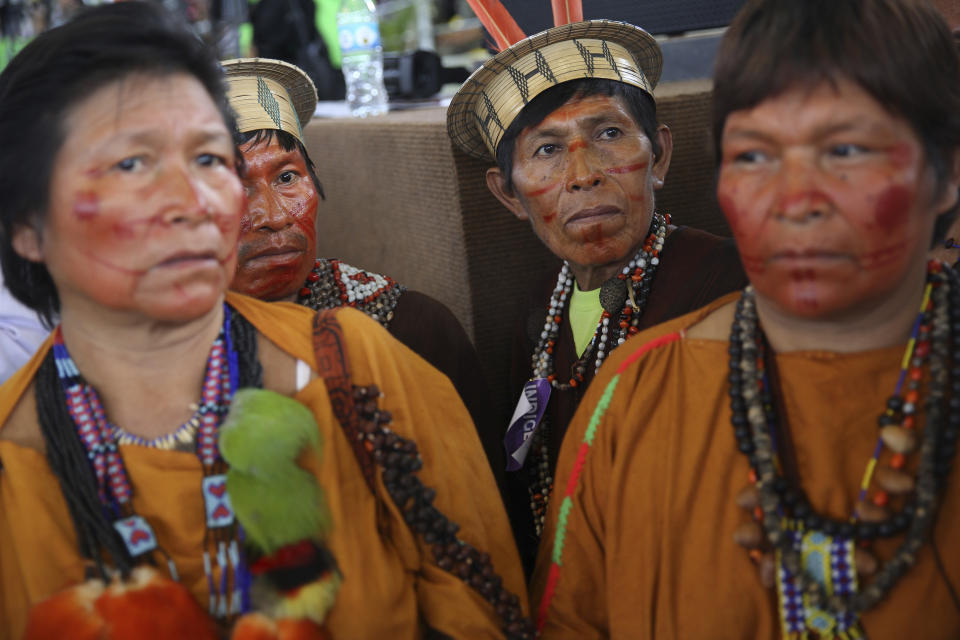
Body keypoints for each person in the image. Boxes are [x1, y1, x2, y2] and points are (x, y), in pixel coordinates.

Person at [0, 4, 531, 638]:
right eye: (131, 165)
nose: (192, 200)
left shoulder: (359, 366)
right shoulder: (16, 457)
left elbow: (484, 606)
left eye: (207, 159)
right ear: (27, 227)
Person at [531, 0, 960, 637]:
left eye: (846, 149)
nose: (796, 201)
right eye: (755, 156)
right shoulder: (637, 393)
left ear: (947, 173)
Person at [446, 18, 747, 570]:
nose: (583, 174)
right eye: (547, 151)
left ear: (658, 155)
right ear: (508, 194)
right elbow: (522, 461)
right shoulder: (541, 315)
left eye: (608, 135)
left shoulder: (726, 284)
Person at [222, 57, 505, 488]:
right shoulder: (150, 357)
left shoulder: (410, 330)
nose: (274, 216)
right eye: (236, 187)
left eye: (286, 177)